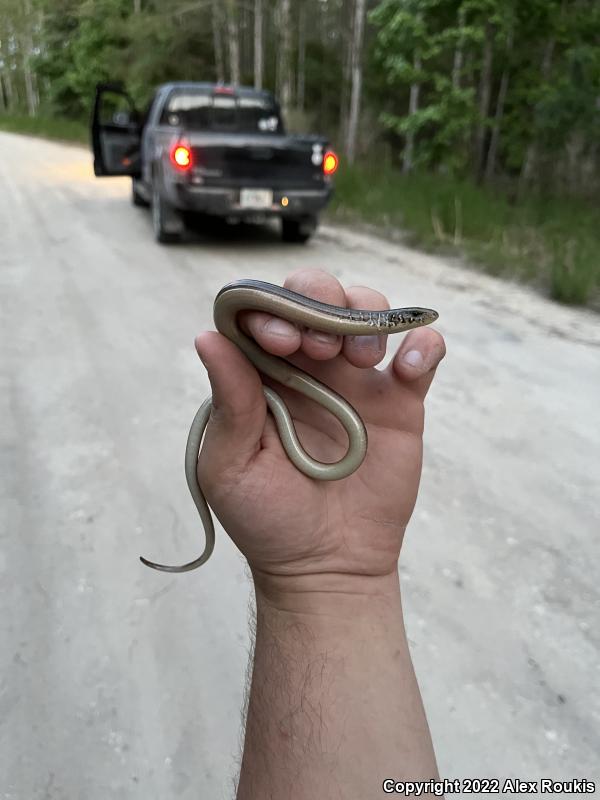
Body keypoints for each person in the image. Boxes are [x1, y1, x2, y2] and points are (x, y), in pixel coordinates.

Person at [194, 268, 446, 799]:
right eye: (417, 320)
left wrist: (334, 581)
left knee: (305, 336)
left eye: (418, 320)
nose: (421, 325)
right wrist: (315, 578)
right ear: (400, 322)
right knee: (297, 334)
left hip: (339, 571)